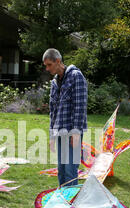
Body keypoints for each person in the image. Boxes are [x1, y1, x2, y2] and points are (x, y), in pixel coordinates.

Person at [43, 48, 87, 186]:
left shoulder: (76, 76)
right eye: (46, 65)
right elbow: (53, 111)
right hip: (60, 132)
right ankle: (62, 201)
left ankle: (71, 204)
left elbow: (80, 106)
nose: (47, 68)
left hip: (72, 132)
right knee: (61, 170)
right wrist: (52, 135)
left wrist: (76, 133)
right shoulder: (54, 82)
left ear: (58, 61)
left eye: (49, 65)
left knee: (70, 171)